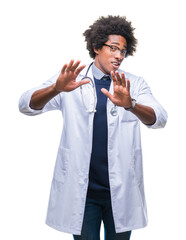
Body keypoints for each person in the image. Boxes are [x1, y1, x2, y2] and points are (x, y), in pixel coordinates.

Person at [19, 15, 167, 240]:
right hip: (82, 193)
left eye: (123, 51)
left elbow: (160, 118)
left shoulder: (133, 84)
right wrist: (56, 89)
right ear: (97, 47)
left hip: (121, 192)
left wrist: (131, 105)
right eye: (114, 48)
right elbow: (26, 105)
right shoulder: (72, 81)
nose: (119, 56)